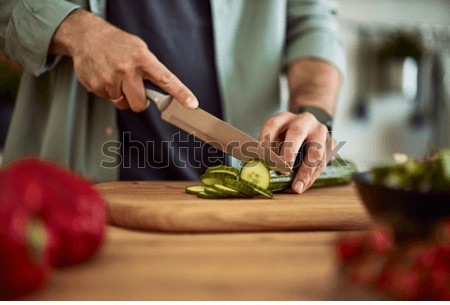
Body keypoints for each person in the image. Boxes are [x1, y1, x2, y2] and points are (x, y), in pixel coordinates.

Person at [0, 0, 345, 193]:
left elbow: (312, 23)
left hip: (243, 204)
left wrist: (314, 110)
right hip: (72, 181)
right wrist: (74, 30)